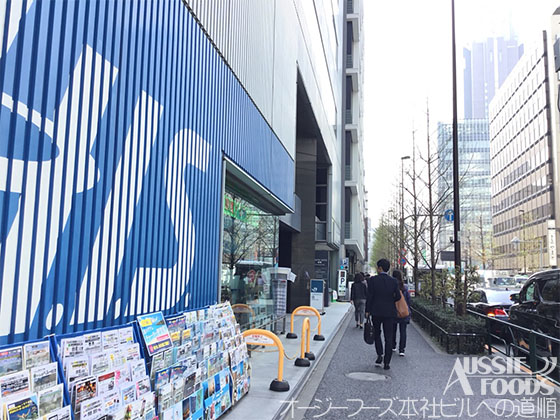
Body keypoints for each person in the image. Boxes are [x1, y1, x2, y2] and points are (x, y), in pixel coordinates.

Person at [366, 259, 400, 370]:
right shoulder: (394, 281)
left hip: (376, 311)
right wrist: (391, 300)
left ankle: (380, 354)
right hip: (390, 312)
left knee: (377, 333)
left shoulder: (373, 280)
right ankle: (387, 362)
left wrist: (367, 310)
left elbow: (369, 297)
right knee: (388, 337)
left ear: (380, 268)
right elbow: (398, 297)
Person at [391, 270, 411, 357]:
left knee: (392, 330)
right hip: (403, 311)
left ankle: (393, 345)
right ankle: (402, 349)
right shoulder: (405, 287)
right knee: (403, 331)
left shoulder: (391, 286)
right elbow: (409, 300)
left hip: (393, 311)